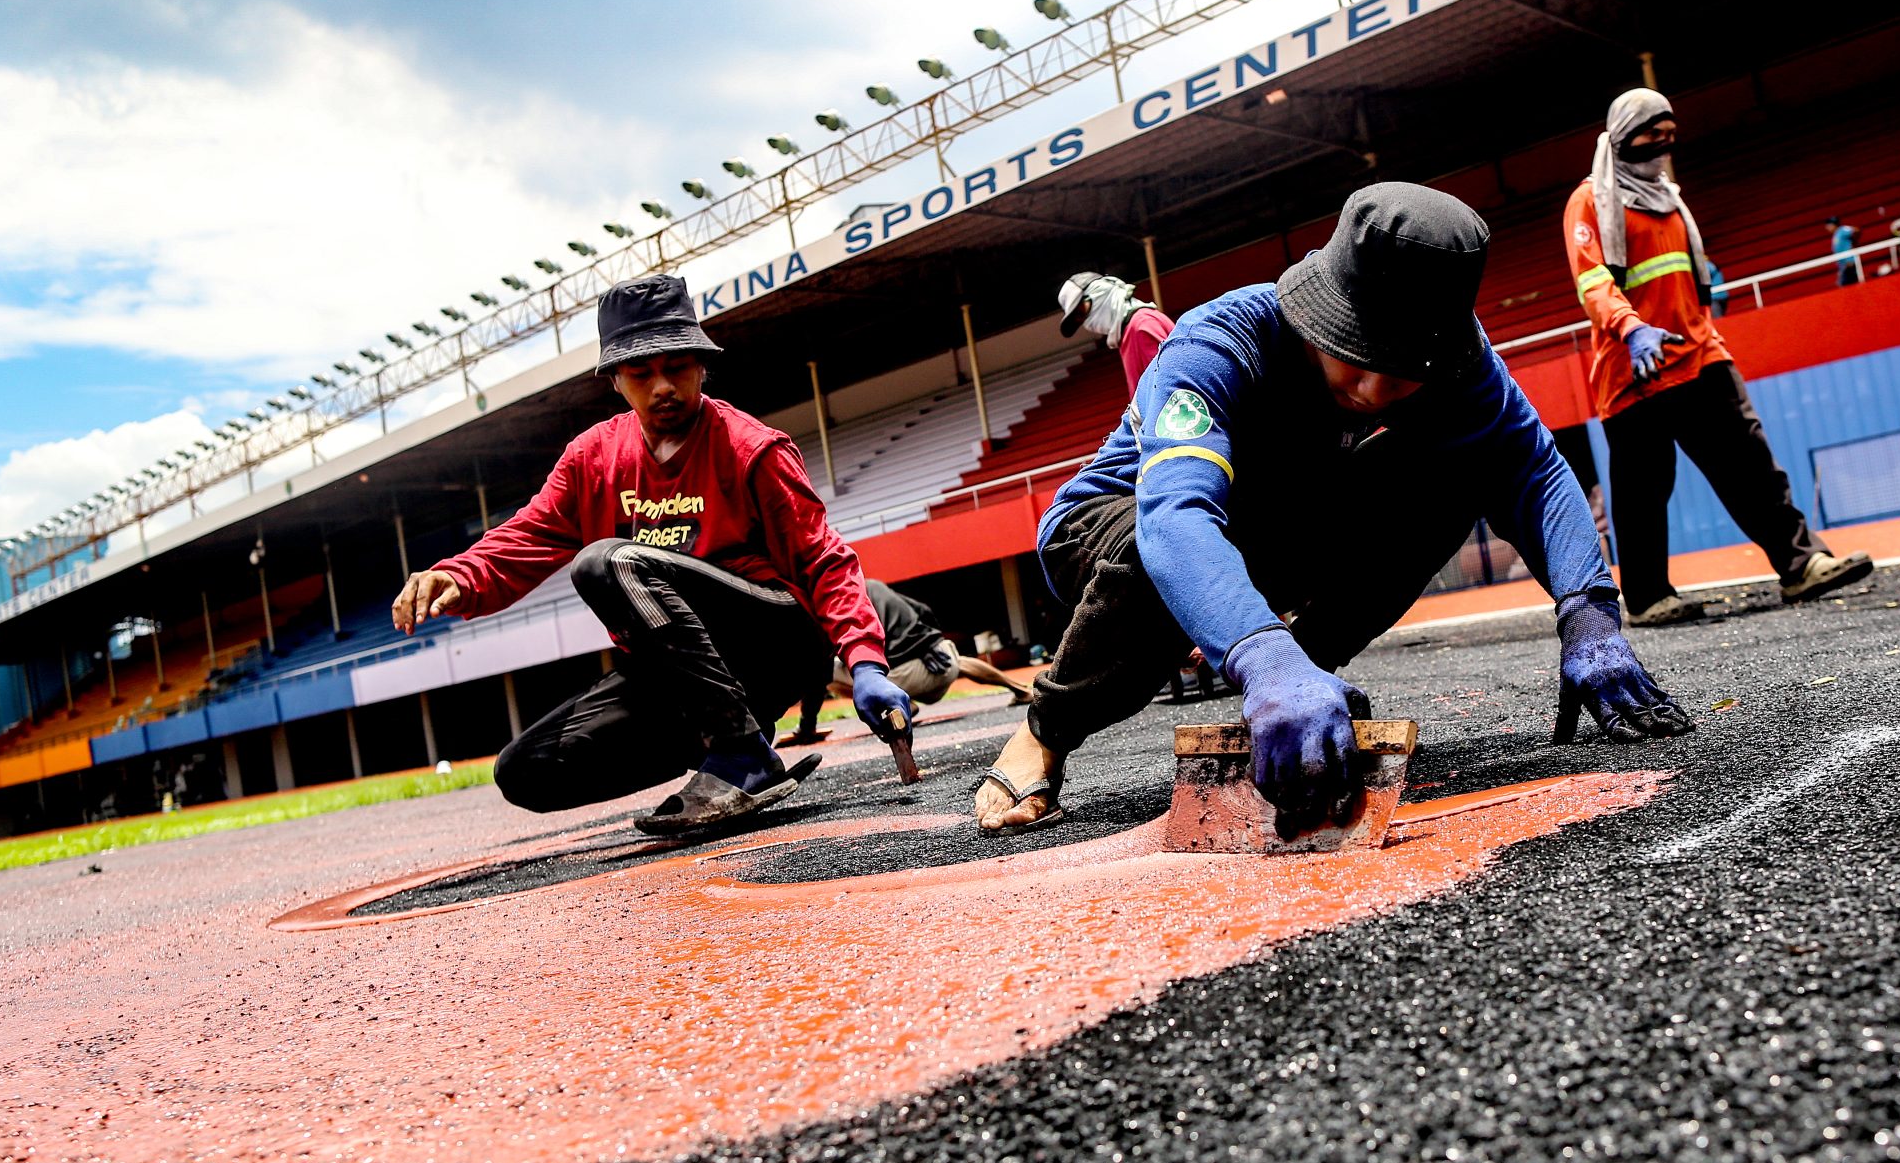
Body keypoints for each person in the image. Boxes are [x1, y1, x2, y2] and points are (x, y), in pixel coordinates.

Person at [973, 182, 1691, 833]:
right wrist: (1258, 654)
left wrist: (1588, 610)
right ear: (1322, 310)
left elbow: (1530, 468)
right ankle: (1044, 731)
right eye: (1357, 354)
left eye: (1405, 372)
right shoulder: (1219, 342)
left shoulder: (1463, 364)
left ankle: (1306, 676)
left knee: (1457, 472)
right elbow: (1176, 522)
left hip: (1272, 524)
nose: (1376, 391)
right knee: (1162, 544)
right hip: (1112, 525)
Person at [392, 275, 914, 835]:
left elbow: (822, 559)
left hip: (776, 644)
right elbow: (525, 536)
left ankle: (743, 757)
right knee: (526, 771)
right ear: (615, 380)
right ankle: (725, 748)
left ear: (701, 366)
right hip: (686, 672)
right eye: (641, 373)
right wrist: (456, 575)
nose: (662, 385)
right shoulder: (592, 460)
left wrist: (863, 663)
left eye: (677, 367)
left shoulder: (751, 449)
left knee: (607, 562)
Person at [1564, 88, 1874, 627]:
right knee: (1642, 492)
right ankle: (1647, 597)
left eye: (1669, 133)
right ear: (1621, 135)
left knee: (1752, 467)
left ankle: (1802, 565)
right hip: (1633, 369)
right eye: (1650, 133)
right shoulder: (1590, 200)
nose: (1662, 143)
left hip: (1699, 355)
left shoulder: (1669, 199)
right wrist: (1631, 328)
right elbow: (1592, 281)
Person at [782, 577, 1033, 747]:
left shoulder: (843, 603)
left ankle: (900, 704)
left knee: (828, 670)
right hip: (938, 659)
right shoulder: (876, 585)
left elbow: (818, 671)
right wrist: (929, 641)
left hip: (907, 674)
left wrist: (806, 728)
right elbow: (923, 609)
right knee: (956, 659)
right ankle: (1021, 690)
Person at [1057, 270, 1174, 388]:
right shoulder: (1128, 333)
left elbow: (1171, 388)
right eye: (1079, 319)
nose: (1086, 322)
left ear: (1101, 291)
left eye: (1082, 310)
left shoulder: (1141, 326)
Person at [1827, 217, 1863, 287]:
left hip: (1849, 264)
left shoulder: (1842, 230)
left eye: (1829, 225)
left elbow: (1856, 230)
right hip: (1844, 267)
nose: (1827, 228)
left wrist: (1855, 241)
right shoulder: (1836, 235)